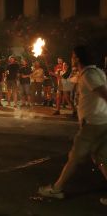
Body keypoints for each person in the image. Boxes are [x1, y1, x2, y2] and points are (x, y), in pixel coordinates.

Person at [38, 45, 107, 205]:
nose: (71, 58)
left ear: (77, 58)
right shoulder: (94, 72)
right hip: (101, 122)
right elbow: (69, 81)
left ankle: (56, 189)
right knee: (102, 157)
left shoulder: (90, 75)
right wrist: (55, 74)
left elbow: (104, 94)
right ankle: (57, 188)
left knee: (75, 157)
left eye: (73, 56)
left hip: (93, 125)